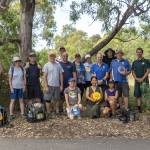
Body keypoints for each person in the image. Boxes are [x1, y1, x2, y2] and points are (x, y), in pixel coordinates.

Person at [132, 48, 150, 113]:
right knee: (138, 95)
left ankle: (147, 108)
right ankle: (139, 109)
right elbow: (133, 72)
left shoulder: (146, 61)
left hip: (145, 81)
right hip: (137, 81)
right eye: (137, 52)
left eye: (140, 52)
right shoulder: (134, 62)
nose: (139, 53)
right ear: (136, 53)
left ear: (142, 53)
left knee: (146, 94)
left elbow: (148, 70)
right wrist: (136, 78)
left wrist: (142, 78)